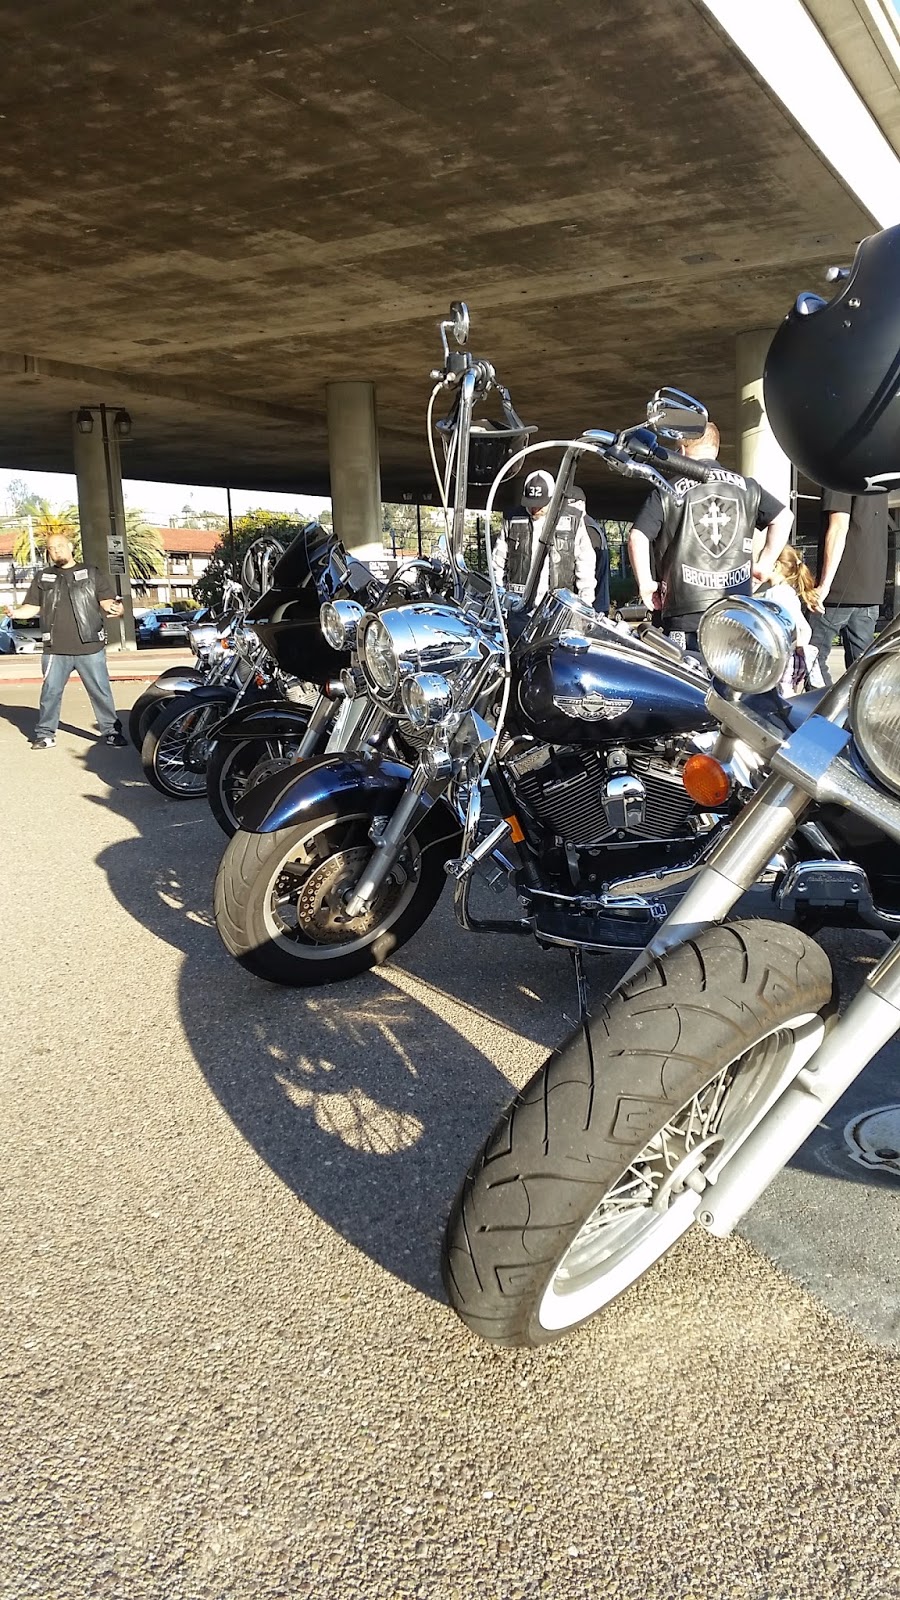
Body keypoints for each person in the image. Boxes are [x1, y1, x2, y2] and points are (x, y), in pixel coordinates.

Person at [626, 420, 794, 651]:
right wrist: (765, 564)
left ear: (681, 451)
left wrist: (646, 584)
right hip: (736, 610)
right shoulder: (748, 488)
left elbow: (637, 536)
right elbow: (784, 518)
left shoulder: (666, 490)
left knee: (686, 672)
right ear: (716, 448)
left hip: (685, 612)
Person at [6, 533, 128, 749]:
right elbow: (32, 607)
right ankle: (45, 734)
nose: (57, 550)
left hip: (90, 647)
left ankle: (111, 731)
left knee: (100, 692)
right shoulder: (43, 577)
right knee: (50, 693)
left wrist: (115, 608)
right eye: (52, 548)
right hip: (54, 649)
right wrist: (15, 613)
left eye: (60, 546)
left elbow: (107, 601)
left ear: (71, 547)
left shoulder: (91, 573)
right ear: (48, 552)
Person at [807, 490, 889, 685]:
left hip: (837, 590)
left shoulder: (839, 479)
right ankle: (856, 704)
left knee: (811, 658)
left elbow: (838, 528)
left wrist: (824, 586)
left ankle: (823, 704)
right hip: (870, 591)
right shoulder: (877, 484)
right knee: (861, 670)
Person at [492, 469, 595, 606]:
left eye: (541, 503)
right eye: (531, 503)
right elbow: (498, 562)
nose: (535, 508)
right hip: (518, 604)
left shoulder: (573, 520)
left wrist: (585, 602)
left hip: (557, 605)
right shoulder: (512, 519)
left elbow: (585, 563)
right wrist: (500, 598)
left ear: (553, 497)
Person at [759, 544, 823, 697]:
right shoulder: (789, 592)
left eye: (762, 561)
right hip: (794, 658)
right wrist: (801, 647)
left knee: (779, 697)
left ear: (775, 565)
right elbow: (804, 628)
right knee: (788, 695)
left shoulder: (773, 594)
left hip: (780, 658)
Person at [570, 485, 610, 614]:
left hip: (593, 604)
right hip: (598, 601)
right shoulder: (592, 525)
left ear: (581, 504)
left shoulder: (587, 530)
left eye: (569, 504)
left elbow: (588, 569)